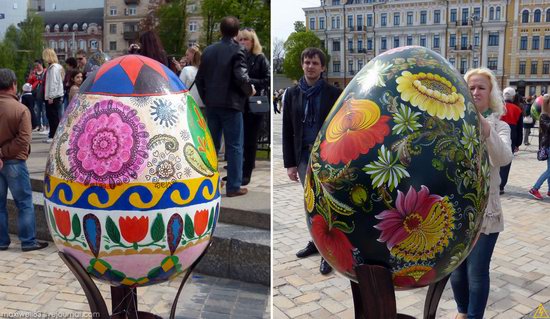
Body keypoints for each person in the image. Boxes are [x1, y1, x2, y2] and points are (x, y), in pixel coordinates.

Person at [450, 68, 512, 319]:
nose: (475, 92)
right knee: (455, 271)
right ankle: (462, 312)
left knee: (476, 273)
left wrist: (486, 129)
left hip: (486, 213)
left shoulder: (500, 126)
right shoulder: (454, 122)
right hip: (457, 211)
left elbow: (504, 157)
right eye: (471, 87)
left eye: (481, 88)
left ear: (491, 94)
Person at [282, 48, 342, 275]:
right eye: (307, 62)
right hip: (303, 157)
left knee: (326, 203)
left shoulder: (332, 94)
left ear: (323, 67)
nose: (310, 66)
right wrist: (290, 163)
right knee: (311, 202)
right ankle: (316, 242)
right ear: (302, 65)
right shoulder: (292, 93)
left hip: (326, 157)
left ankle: (328, 250)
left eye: (315, 63)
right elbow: (288, 130)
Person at [196, 16, 255, 197]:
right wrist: (249, 91)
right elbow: (241, 77)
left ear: (220, 30)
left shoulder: (208, 51)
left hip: (212, 104)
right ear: (237, 33)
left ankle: (209, 185)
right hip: (232, 105)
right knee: (235, 146)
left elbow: (200, 79)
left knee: (211, 146)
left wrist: (207, 99)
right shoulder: (238, 50)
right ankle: (234, 187)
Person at [0, 68, 49, 252]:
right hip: (15, 162)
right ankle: (28, 241)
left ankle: (2, 241)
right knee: (24, 203)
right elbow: (23, 141)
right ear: (13, 85)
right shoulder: (21, 110)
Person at [238, 28, 270, 186]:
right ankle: (237, 171)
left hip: (254, 103)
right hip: (238, 103)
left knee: (250, 140)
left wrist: (249, 81)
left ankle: (246, 172)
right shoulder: (237, 57)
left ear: (252, 42)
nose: (243, 42)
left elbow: (267, 79)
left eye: (246, 40)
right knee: (239, 140)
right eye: (240, 40)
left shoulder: (259, 58)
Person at [499, 87, 523, 194]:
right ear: (513, 97)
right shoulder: (517, 109)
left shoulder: (498, 107)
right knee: (506, 164)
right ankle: (501, 186)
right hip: (511, 139)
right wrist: (518, 143)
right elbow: (519, 129)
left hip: (497, 135)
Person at [528, 94, 550, 200]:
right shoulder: (543, 116)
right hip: (548, 145)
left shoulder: (547, 115)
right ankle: (535, 189)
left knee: (549, 169)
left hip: (548, 145)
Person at [42, 48, 64, 143]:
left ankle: (54, 135)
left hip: (53, 96)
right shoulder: (55, 67)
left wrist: (51, 96)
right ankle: (52, 134)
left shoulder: (53, 68)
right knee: (51, 116)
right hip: (53, 95)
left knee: (53, 116)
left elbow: (53, 83)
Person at [179, 45, 205, 116]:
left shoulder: (186, 70)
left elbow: (179, 89)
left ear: (193, 55)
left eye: (187, 55)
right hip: (204, 107)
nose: (186, 57)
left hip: (190, 106)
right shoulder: (205, 70)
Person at [26, 59, 48, 132]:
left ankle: (45, 125)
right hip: (35, 93)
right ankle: (38, 125)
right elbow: (29, 83)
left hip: (44, 93)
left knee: (44, 110)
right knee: (37, 110)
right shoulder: (33, 73)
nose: (36, 67)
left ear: (41, 64)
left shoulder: (46, 71)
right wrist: (30, 77)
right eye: (35, 65)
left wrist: (40, 81)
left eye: (37, 65)